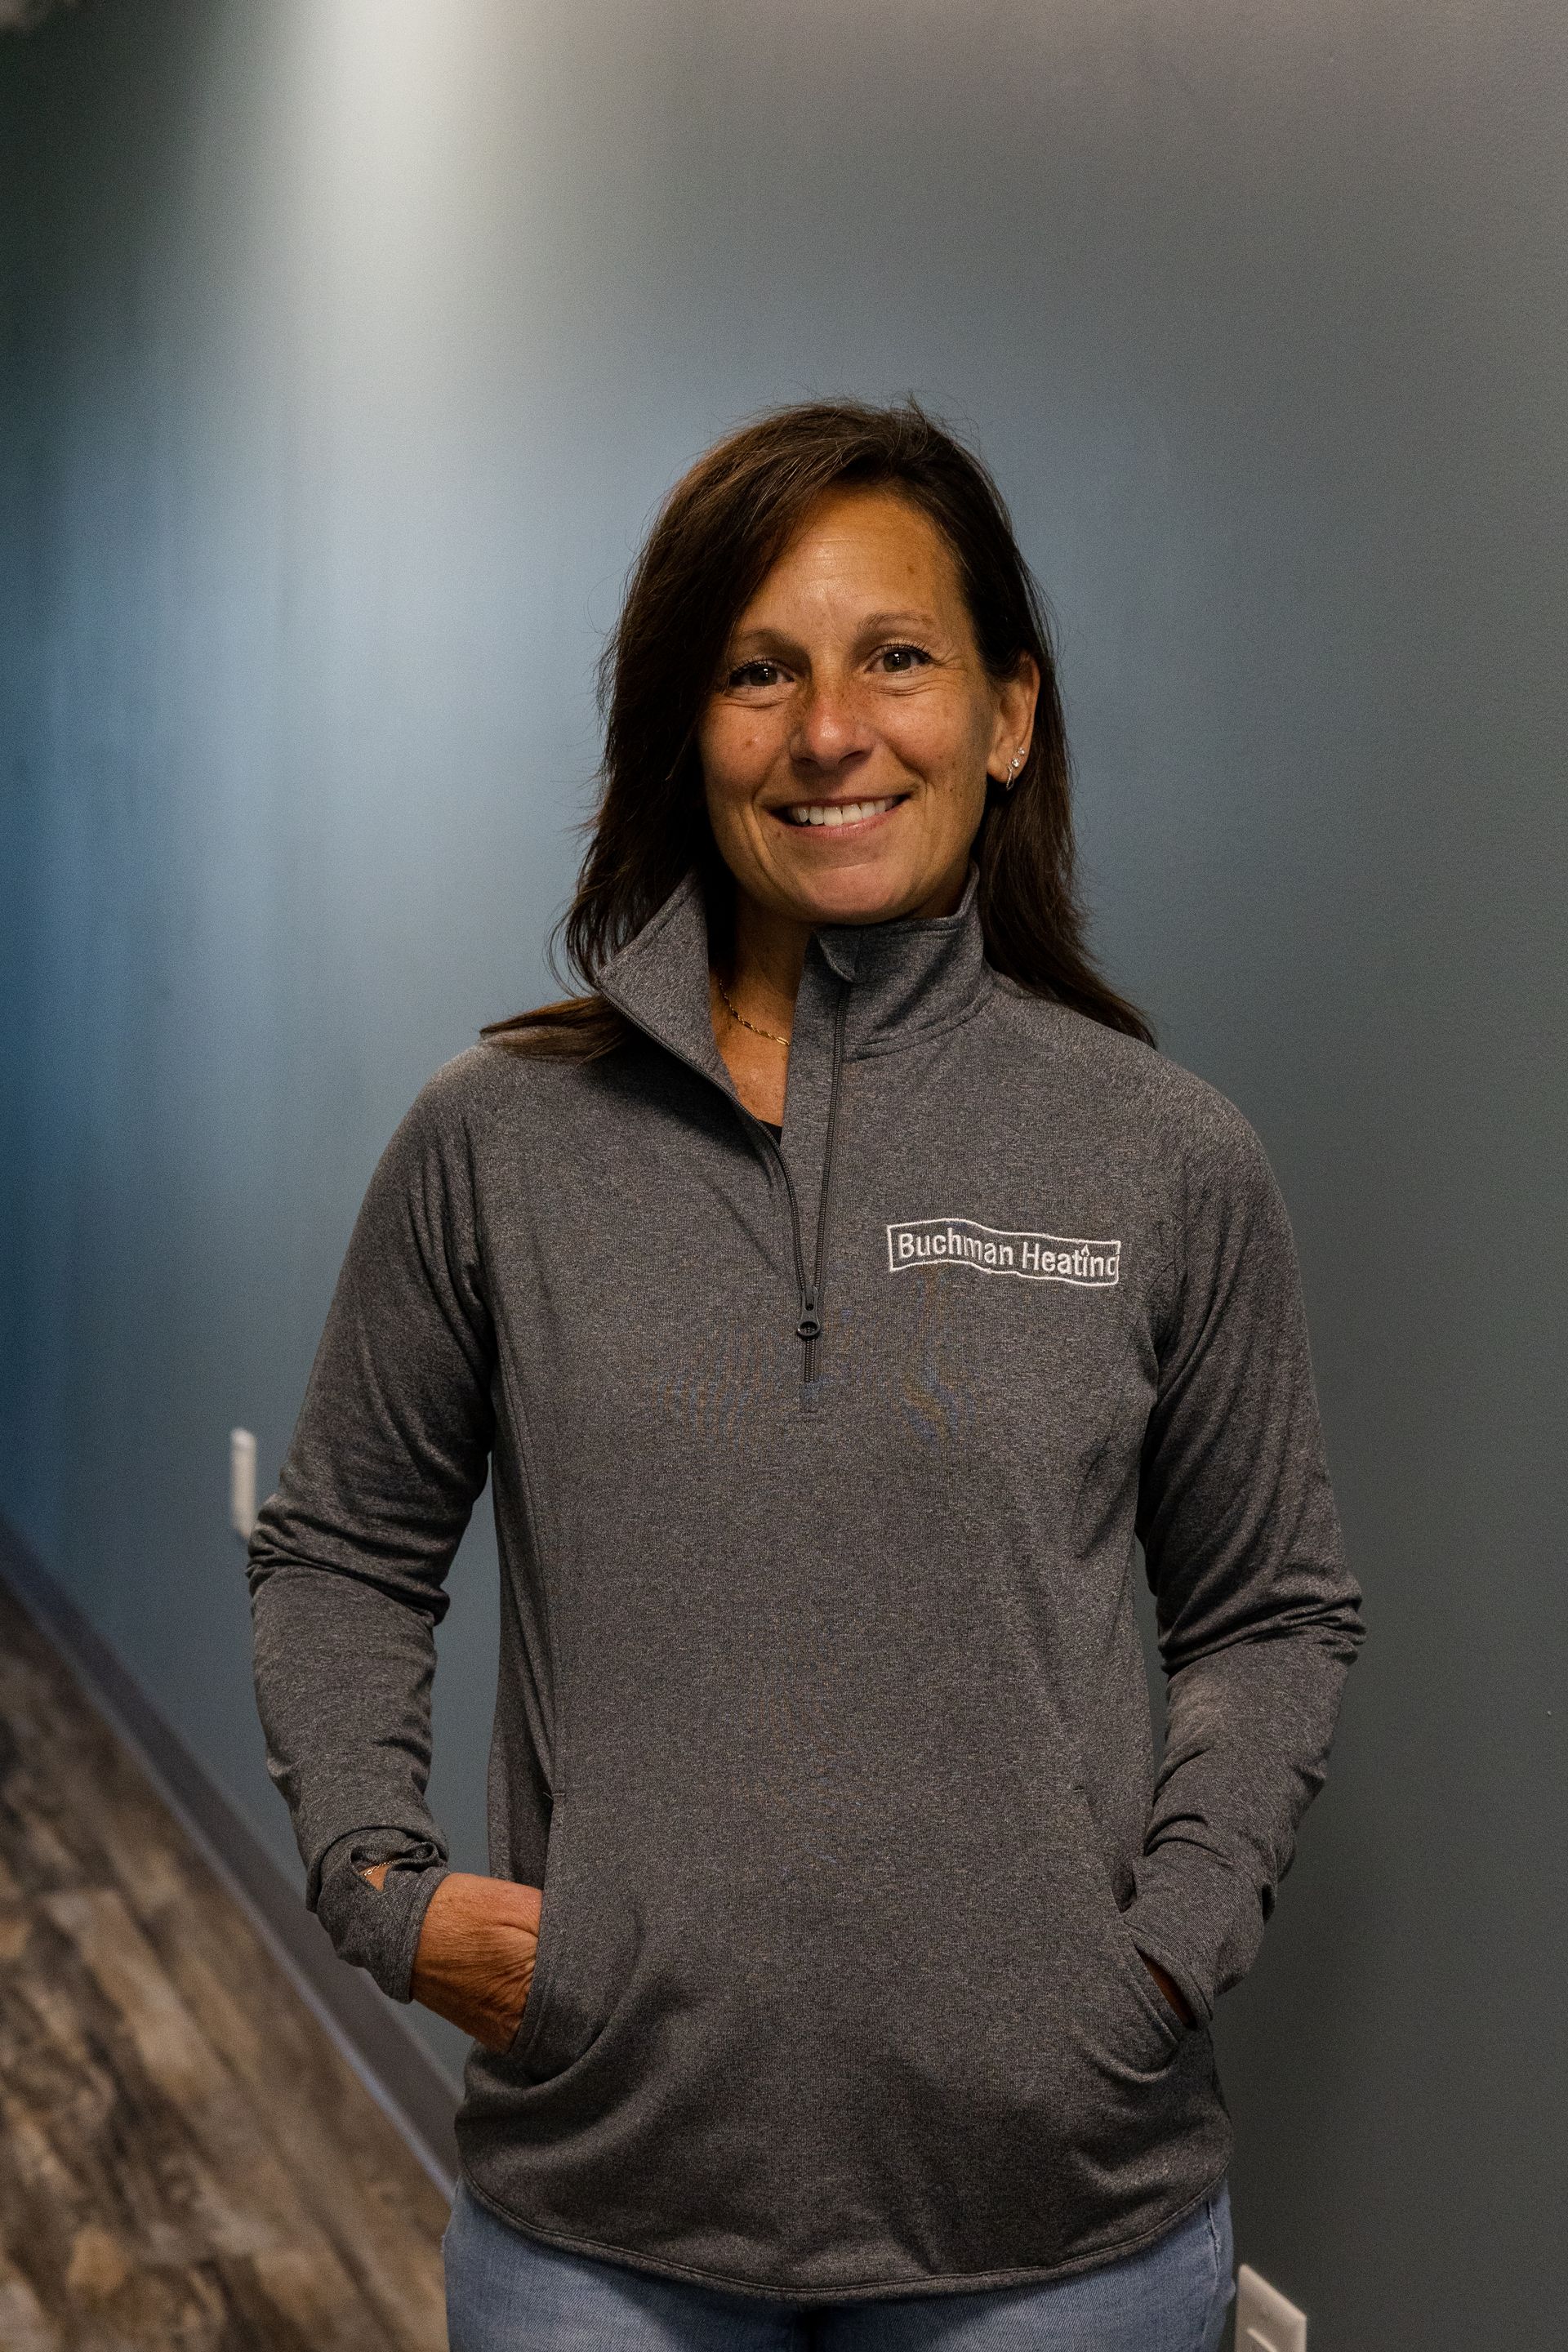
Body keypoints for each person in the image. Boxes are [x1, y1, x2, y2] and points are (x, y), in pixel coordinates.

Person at [247, 398, 1365, 2351]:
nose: (829, 730)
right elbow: (343, 1542)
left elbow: (1274, 1607)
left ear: (1007, 715)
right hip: (603, 2209)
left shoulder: (1167, 1157)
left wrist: (1170, 1954)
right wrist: (383, 1884)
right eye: (761, 669)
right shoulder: (498, 1141)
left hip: (1064, 2226)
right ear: (689, 723)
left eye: (897, 659)